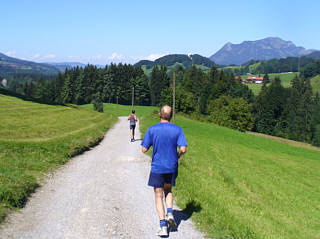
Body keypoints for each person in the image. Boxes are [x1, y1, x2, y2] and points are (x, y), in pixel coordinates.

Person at [141, 105, 187, 237]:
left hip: (158, 167)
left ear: (159, 115)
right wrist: (178, 155)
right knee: (168, 190)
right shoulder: (178, 130)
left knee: (158, 195)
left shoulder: (152, 129)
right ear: (171, 116)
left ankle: (163, 227)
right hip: (171, 166)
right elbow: (183, 149)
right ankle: (170, 212)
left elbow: (144, 149)